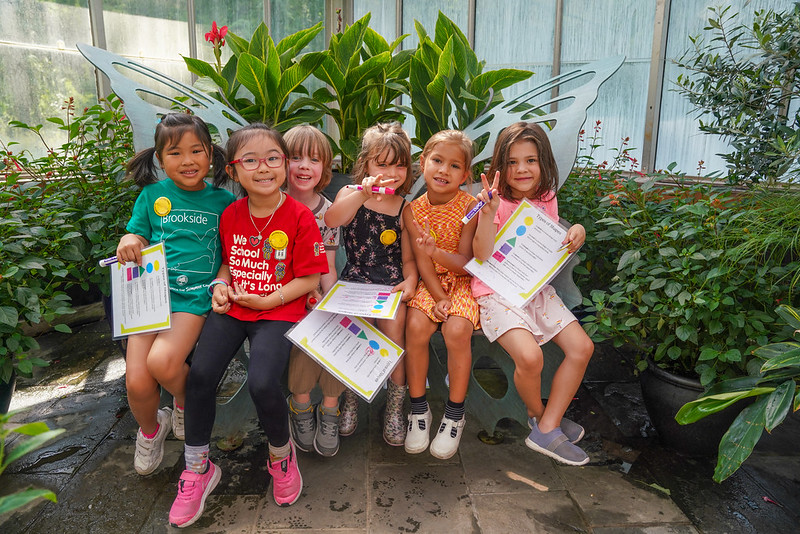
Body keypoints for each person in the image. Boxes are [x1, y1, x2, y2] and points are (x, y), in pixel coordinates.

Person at [168, 123, 328, 528]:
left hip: (279, 310)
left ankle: (280, 454)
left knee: (261, 383)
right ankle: (198, 468)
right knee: (201, 375)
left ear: (284, 164)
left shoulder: (299, 216)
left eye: (273, 158)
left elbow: (309, 280)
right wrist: (220, 285)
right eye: (251, 161)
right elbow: (226, 263)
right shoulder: (231, 213)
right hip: (236, 309)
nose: (264, 168)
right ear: (234, 171)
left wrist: (269, 299)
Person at [115, 112, 235, 477]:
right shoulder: (152, 196)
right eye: (175, 153)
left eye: (196, 151)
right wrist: (129, 240)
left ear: (211, 155)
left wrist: (221, 283)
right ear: (160, 158)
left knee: (163, 364)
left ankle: (186, 403)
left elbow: (231, 255)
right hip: (149, 299)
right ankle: (152, 431)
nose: (187, 161)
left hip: (193, 300)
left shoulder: (223, 202)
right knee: (136, 381)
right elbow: (137, 235)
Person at [472, 121, 594, 466]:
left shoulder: (546, 198)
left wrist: (576, 230)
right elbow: (480, 254)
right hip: (495, 294)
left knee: (582, 347)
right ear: (500, 166)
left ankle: (547, 424)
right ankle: (543, 420)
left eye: (530, 160)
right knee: (530, 358)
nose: (522, 169)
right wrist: (488, 214)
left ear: (543, 163)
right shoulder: (492, 202)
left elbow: (548, 246)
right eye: (512, 162)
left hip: (534, 291)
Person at [324, 122, 418, 446]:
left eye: (399, 164)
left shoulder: (405, 208)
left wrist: (410, 281)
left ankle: (393, 407)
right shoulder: (350, 194)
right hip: (354, 280)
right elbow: (332, 219)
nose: (391, 172)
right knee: (354, 334)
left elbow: (408, 259)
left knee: (394, 336)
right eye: (382, 163)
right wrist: (364, 192)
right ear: (366, 164)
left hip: (390, 284)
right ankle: (350, 397)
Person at [402, 130, 479, 459]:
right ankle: (419, 410)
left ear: (466, 174)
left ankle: (454, 415)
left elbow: (464, 264)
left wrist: (437, 252)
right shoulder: (412, 210)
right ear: (422, 163)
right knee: (416, 327)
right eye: (437, 161)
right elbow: (421, 263)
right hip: (430, 282)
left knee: (457, 330)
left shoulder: (471, 207)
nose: (444, 170)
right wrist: (436, 296)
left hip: (461, 281)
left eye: (454, 165)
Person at [283, 125, 346, 457]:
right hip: (281, 294)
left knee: (333, 326)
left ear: (325, 168)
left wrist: (329, 300)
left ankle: (331, 410)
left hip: (315, 291)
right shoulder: (272, 204)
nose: (305, 166)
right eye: (296, 157)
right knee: (305, 332)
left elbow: (328, 265)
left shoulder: (328, 211)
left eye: (314, 159)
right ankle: (302, 406)